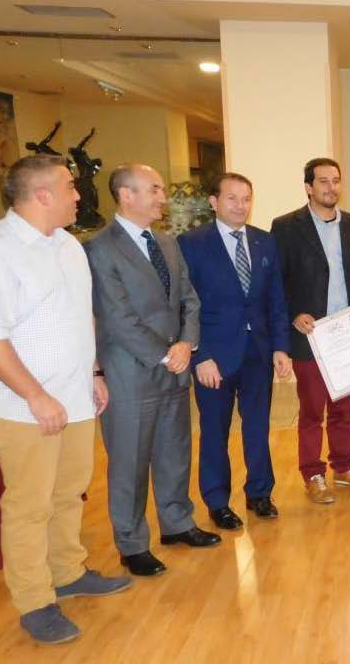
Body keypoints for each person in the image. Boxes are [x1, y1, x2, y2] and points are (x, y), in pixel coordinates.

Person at [0, 154, 129, 644]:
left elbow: (79, 317)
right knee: (29, 506)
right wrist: (35, 395)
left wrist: (93, 372)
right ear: (42, 194)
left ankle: (67, 572)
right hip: (20, 407)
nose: (79, 195)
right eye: (70, 187)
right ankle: (35, 602)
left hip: (73, 398)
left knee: (69, 492)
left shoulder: (68, 246)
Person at [87, 163, 220, 578]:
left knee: (174, 451)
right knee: (130, 461)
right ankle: (132, 545)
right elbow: (117, 317)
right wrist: (165, 354)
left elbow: (190, 300)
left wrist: (186, 344)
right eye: (154, 189)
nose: (163, 197)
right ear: (126, 195)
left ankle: (177, 522)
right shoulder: (100, 248)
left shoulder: (167, 243)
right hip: (130, 372)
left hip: (174, 364)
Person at [178, 173, 292, 527]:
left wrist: (280, 346)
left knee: (258, 426)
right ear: (213, 202)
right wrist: (199, 355)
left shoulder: (264, 241)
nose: (241, 206)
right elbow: (185, 305)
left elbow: (276, 299)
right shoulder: (191, 244)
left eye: (246, 199)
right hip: (213, 357)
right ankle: (217, 501)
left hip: (258, 352)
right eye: (232, 198)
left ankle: (260, 492)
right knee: (215, 430)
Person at [271, 157, 350, 503]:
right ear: (308, 187)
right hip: (311, 334)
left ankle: (343, 466)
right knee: (313, 410)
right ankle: (313, 473)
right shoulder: (286, 226)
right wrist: (292, 314)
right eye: (323, 181)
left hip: (347, 331)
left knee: (344, 408)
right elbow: (276, 280)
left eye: (336, 180)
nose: (331, 188)